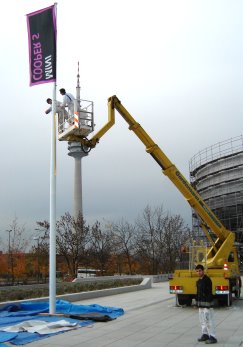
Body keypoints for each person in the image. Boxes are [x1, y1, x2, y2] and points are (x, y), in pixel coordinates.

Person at [195, 264, 217, 344]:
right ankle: (205, 334)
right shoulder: (198, 281)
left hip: (207, 305)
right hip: (201, 305)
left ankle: (212, 336)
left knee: (209, 320)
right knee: (202, 320)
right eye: (197, 271)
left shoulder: (207, 280)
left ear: (203, 271)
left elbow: (209, 293)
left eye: (200, 271)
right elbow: (198, 293)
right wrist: (196, 303)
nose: (198, 272)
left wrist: (208, 303)